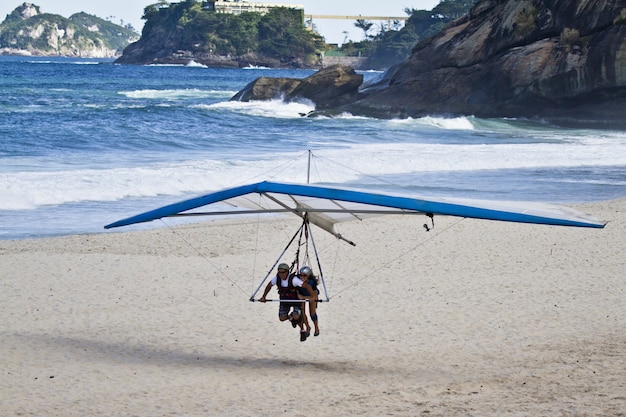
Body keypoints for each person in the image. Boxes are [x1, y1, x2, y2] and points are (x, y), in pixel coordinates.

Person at [259, 263, 316, 342]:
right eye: (279, 272)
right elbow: (269, 285)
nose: (281, 274)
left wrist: (312, 296)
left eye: (283, 272)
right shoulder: (277, 278)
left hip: (295, 300)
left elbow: (306, 286)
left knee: (296, 316)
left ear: (287, 272)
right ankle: (291, 317)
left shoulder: (293, 279)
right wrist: (264, 296)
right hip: (284, 300)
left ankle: (302, 329)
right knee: (282, 318)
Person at [297, 266, 320, 337]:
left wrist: (303, 297)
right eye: (301, 275)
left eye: (304, 276)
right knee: (302, 312)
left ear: (308, 276)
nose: (302, 277)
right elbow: (296, 288)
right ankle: (307, 327)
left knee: (312, 313)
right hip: (302, 294)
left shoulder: (312, 283)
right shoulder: (298, 280)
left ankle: (316, 328)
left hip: (311, 295)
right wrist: (298, 294)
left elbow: (313, 297)